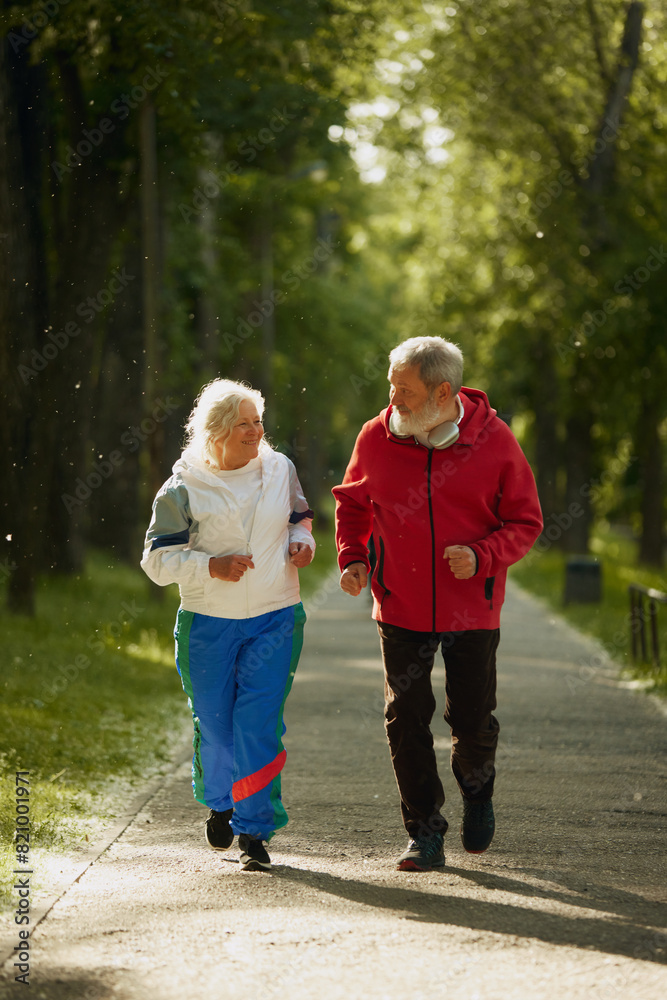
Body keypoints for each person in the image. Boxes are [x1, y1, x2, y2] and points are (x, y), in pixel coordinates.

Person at [333, 337, 542, 872]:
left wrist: (483, 555)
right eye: (391, 385)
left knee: (470, 720)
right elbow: (353, 504)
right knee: (405, 717)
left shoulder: (495, 442)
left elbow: (526, 522)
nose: (393, 398)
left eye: (405, 389)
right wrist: (353, 558)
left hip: (471, 609)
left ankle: (477, 793)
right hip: (399, 605)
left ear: (442, 391)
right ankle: (424, 833)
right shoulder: (376, 437)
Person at [141, 378, 315, 872]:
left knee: (258, 724)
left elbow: (300, 518)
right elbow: (155, 561)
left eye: (259, 421)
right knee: (216, 728)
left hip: (276, 616)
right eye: (244, 423)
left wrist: (303, 543)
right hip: (208, 624)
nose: (256, 431)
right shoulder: (183, 487)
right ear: (216, 431)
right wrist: (209, 566)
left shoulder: (281, 469)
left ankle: (254, 832)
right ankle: (220, 801)